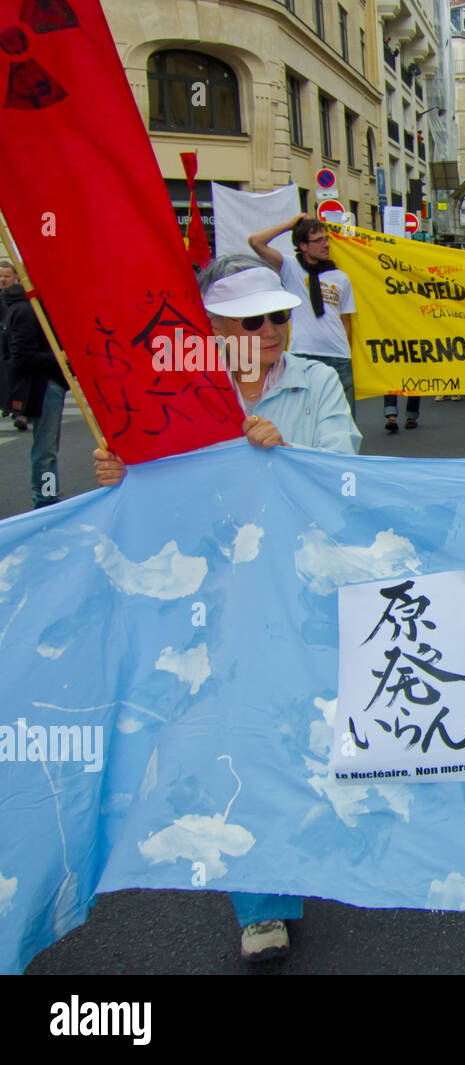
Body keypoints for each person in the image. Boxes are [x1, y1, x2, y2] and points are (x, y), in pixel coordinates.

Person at [93, 256, 360, 960]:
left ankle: (305, 843)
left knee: (299, 726)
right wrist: (119, 473)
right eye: (253, 319)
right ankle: (262, 898)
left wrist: (289, 448)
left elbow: (348, 466)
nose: (272, 329)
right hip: (213, 596)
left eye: (278, 314)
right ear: (214, 327)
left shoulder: (317, 380)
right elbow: (148, 489)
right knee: (238, 733)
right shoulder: (173, 390)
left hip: (299, 584)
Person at [248, 214, 358, 416]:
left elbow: (346, 321)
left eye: (326, 239)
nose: (326, 245)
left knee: (344, 416)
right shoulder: (290, 268)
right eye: (318, 241)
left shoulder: (341, 277)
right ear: (303, 246)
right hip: (303, 354)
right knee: (303, 415)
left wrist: (346, 351)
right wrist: (289, 224)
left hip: (338, 357)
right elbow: (256, 241)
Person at [4, 266, 67, 507]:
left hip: (44, 384)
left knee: (48, 448)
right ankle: (47, 499)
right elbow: (21, 356)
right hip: (43, 386)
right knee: (46, 450)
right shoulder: (29, 310)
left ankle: (48, 495)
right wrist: (60, 355)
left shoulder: (26, 307)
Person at [0, 260, 28, 431]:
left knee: (18, 380)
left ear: (16, 277)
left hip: (16, 344)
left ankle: (20, 412)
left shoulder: (21, 297)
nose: (3, 279)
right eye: (0, 276)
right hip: (2, 345)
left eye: (7, 276)